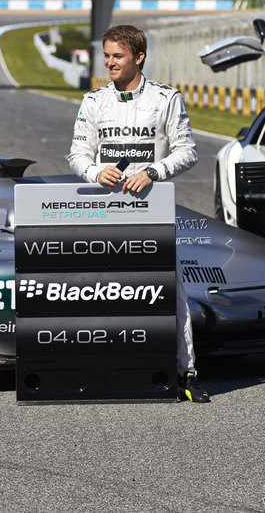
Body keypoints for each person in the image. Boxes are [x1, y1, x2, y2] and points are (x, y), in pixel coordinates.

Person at [67, 24, 209, 403]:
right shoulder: (93, 101)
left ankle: (186, 373)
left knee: (171, 294)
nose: (110, 63)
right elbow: (77, 154)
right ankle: (101, 371)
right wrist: (96, 171)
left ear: (139, 57)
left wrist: (153, 172)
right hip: (104, 214)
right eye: (107, 56)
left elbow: (188, 151)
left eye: (118, 56)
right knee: (101, 293)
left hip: (154, 213)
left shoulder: (167, 98)